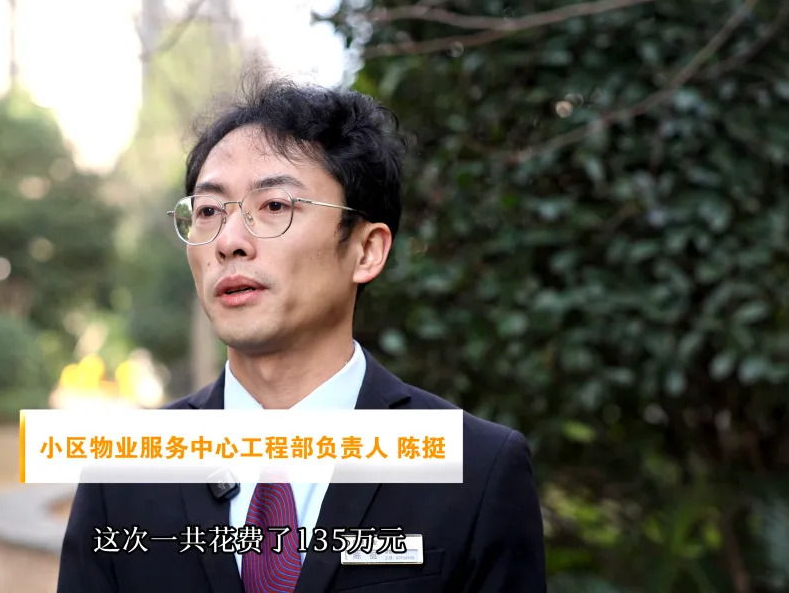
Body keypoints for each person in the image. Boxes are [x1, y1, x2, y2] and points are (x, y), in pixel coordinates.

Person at [57, 76, 546, 592]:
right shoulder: (123, 474)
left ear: (366, 251)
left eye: (274, 206)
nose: (229, 241)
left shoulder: (476, 469)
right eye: (208, 212)